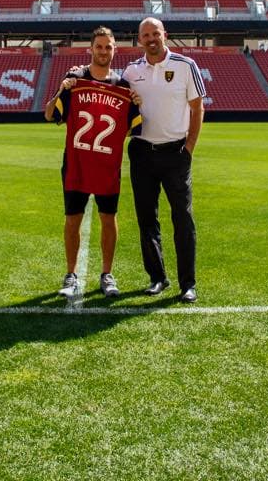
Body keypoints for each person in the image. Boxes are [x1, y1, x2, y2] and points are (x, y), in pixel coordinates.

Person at [45, 26, 141, 298]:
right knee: (72, 219)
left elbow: (136, 126)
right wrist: (60, 89)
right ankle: (71, 274)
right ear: (91, 49)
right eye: (99, 46)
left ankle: (107, 274)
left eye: (108, 47)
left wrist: (138, 101)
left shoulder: (123, 87)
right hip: (76, 164)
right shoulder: (75, 79)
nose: (103, 51)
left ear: (114, 50)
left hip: (107, 167)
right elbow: (50, 115)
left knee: (108, 219)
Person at [122, 17, 206, 303]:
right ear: (139, 40)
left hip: (176, 153)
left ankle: (188, 283)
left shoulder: (185, 65)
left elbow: (197, 108)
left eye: (154, 33)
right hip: (142, 152)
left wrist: (190, 147)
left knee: (183, 218)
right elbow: (118, 103)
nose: (150, 38)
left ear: (164, 35)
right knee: (147, 219)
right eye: (145, 35)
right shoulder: (131, 71)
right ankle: (157, 277)